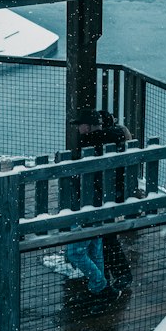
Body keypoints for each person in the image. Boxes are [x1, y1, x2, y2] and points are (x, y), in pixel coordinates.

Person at [64, 108, 133, 310]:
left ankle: (109, 282)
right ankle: (106, 284)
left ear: (91, 126)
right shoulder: (114, 137)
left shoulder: (93, 141)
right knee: (101, 239)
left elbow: (87, 171)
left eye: (81, 125)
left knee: (101, 239)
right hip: (111, 195)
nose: (79, 130)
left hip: (97, 198)